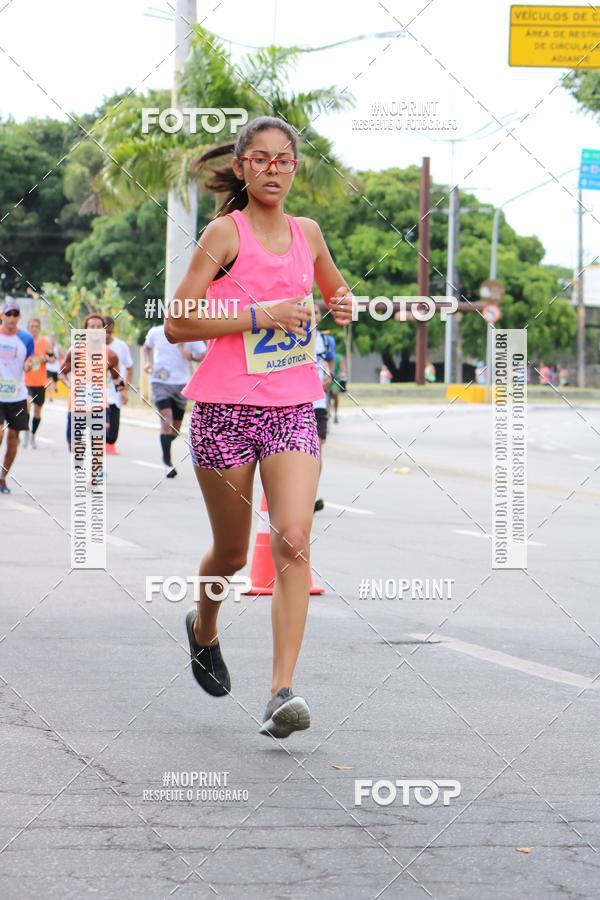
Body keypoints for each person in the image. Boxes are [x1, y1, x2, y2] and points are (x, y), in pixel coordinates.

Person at [164, 115, 352, 738]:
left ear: (296, 168)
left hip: (294, 404)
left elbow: (331, 288)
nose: (274, 169)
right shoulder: (225, 232)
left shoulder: (309, 232)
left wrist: (343, 301)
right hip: (224, 409)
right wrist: (257, 316)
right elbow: (178, 322)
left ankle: (281, 693)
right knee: (231, 550)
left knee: (294, 536)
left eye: (285, 159)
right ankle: (205, 628)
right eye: (262, 158)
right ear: (243, 166)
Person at [143, 324, 206, 477]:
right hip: (160, 381)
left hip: (181, 384)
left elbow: (205, 354)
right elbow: (146, 347)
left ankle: (164, 441)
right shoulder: (156, 332)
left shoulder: (190, 332)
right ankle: (167, 463)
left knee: (175, 430)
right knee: (167, 420)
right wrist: (149, 362)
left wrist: (191, 357)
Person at [60, 313, 123, 452]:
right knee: (75, 448)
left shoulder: (111, 355)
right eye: (91, 326)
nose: (95, 329)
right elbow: (62, 374)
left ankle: (97, 473)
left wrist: (121, 395)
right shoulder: (75, 351)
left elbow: (117, 379)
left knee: (97, 446)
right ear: (85, 330)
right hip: (77, 405)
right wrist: (70, 385)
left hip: (99, 404)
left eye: (99, 327)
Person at [0, 299, 33, 494]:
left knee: (13, 439)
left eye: (15, 314)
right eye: (8, 314)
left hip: (16, 396)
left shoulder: (26, 339)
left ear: (19, 317)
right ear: (2, 316)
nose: (11, 318)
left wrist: (29, 364)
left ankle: (2, 478)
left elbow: (30, 359)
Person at [313, 306, 335, 512]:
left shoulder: (326, 340)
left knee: (316, 450)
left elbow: (330, 363)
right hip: (296, 403)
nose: (313, 315)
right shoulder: (288, 337)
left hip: (318, 404)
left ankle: (312, 494)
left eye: (317, 312)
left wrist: (330, 376)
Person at [23, 317, 55, 448]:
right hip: (26, 381)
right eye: (32, 326)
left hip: (40, 382)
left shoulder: (45, 342)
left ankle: (32, 435)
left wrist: (45, 358)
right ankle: (25, 432)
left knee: (37, 412)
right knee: (27, 404)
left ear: (39, 328)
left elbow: (52, 359)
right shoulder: (24, 341)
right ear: (28, 328)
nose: (34, 328)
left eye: (36, 326)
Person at [105, 316, 134, 455]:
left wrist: (125, 390)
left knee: (112, 436)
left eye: (109, 330)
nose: (106, 333)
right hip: (96, 394)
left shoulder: (121, 346)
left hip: (115, 392)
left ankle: (106, 443)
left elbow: (129, 368)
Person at [45, 335, 61, 399]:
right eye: (51, 338)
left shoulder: (58, 347)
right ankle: (50, 396)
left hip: (55, 368)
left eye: (54, 338)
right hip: (48, 367)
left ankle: (55, 387)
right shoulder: (47, 347)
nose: (52, 339)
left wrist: (56, 358)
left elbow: (61, 356)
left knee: (55, 381)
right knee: (49, 382)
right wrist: (48, 359)